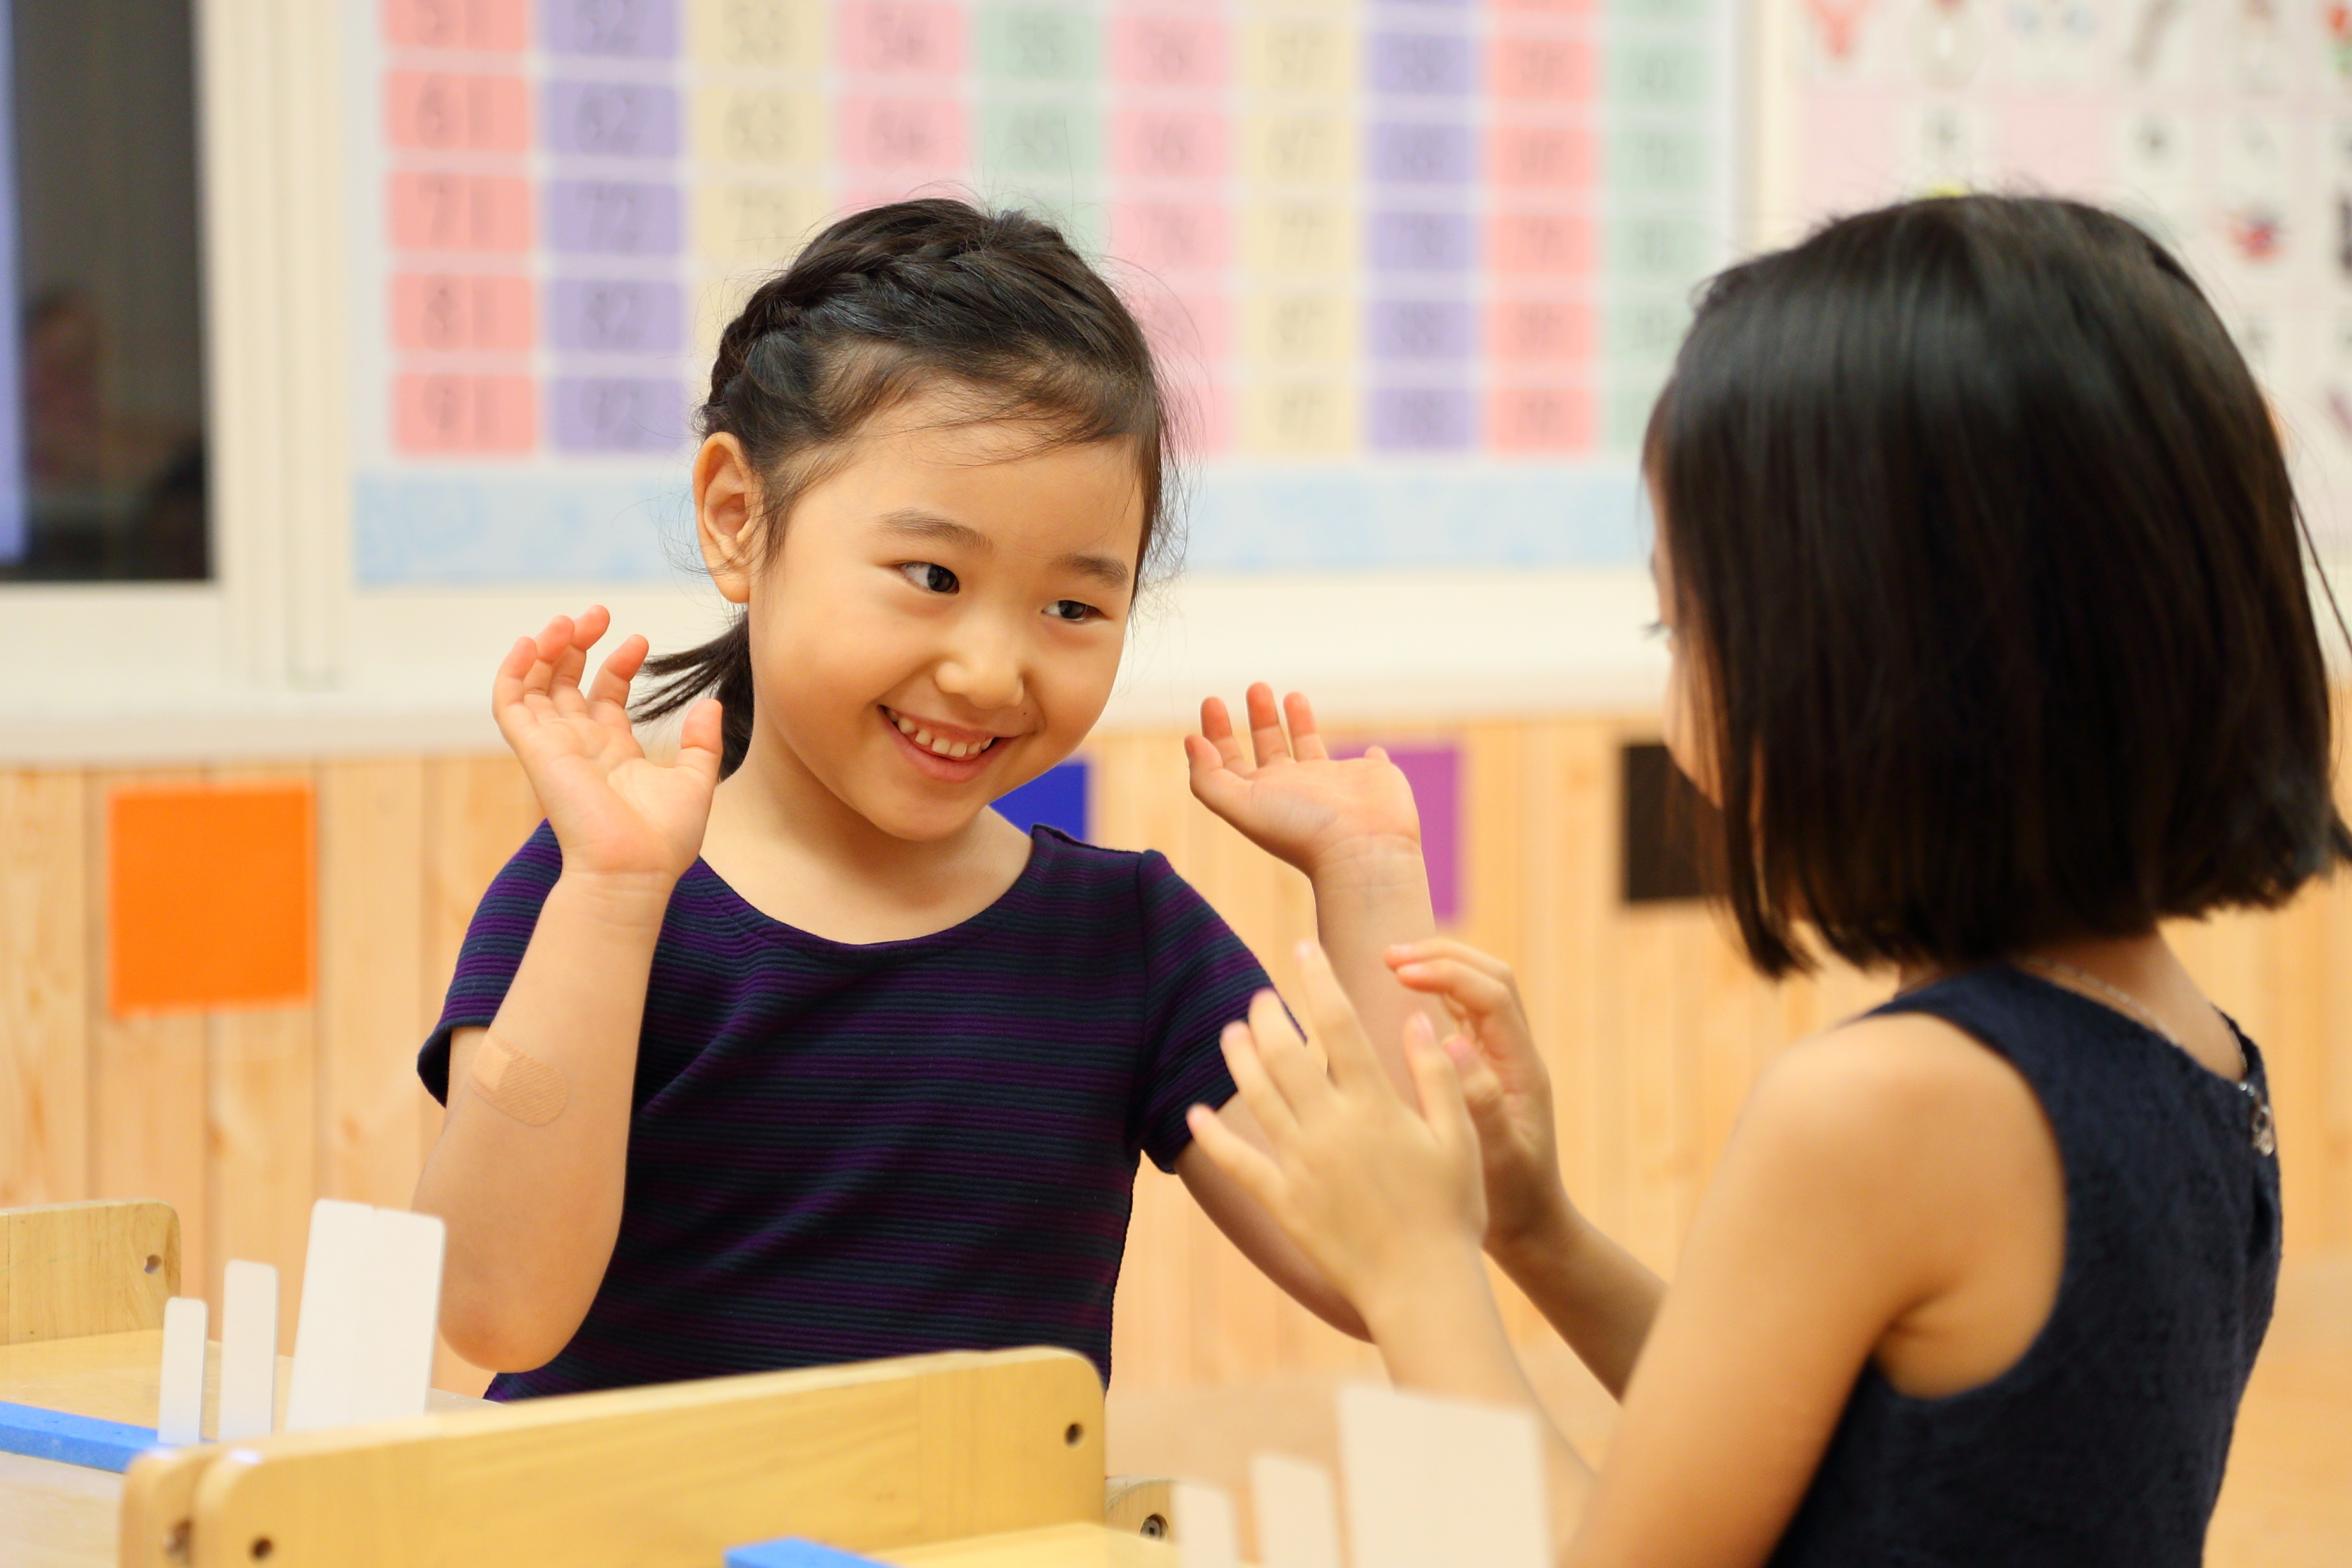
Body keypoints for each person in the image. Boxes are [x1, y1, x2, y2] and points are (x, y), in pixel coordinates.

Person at [1186, 195, 2345, 1566]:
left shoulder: (1887, 1106)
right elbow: (1825, 1439)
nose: (1682, 702)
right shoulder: (2193, 1048)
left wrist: (1413, 1264)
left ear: (1869, 663)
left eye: (1685, 626)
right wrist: (1538, 1231)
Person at [411, 200, 1442, 1397]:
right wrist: (612, 897)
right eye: (932, 576)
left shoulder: (1130, 943)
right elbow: (491, 1312)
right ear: (739, 519)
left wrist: (1370, 883)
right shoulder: (591, 889)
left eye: (1072, 607)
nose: (992, 671)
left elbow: (1397, 1272)